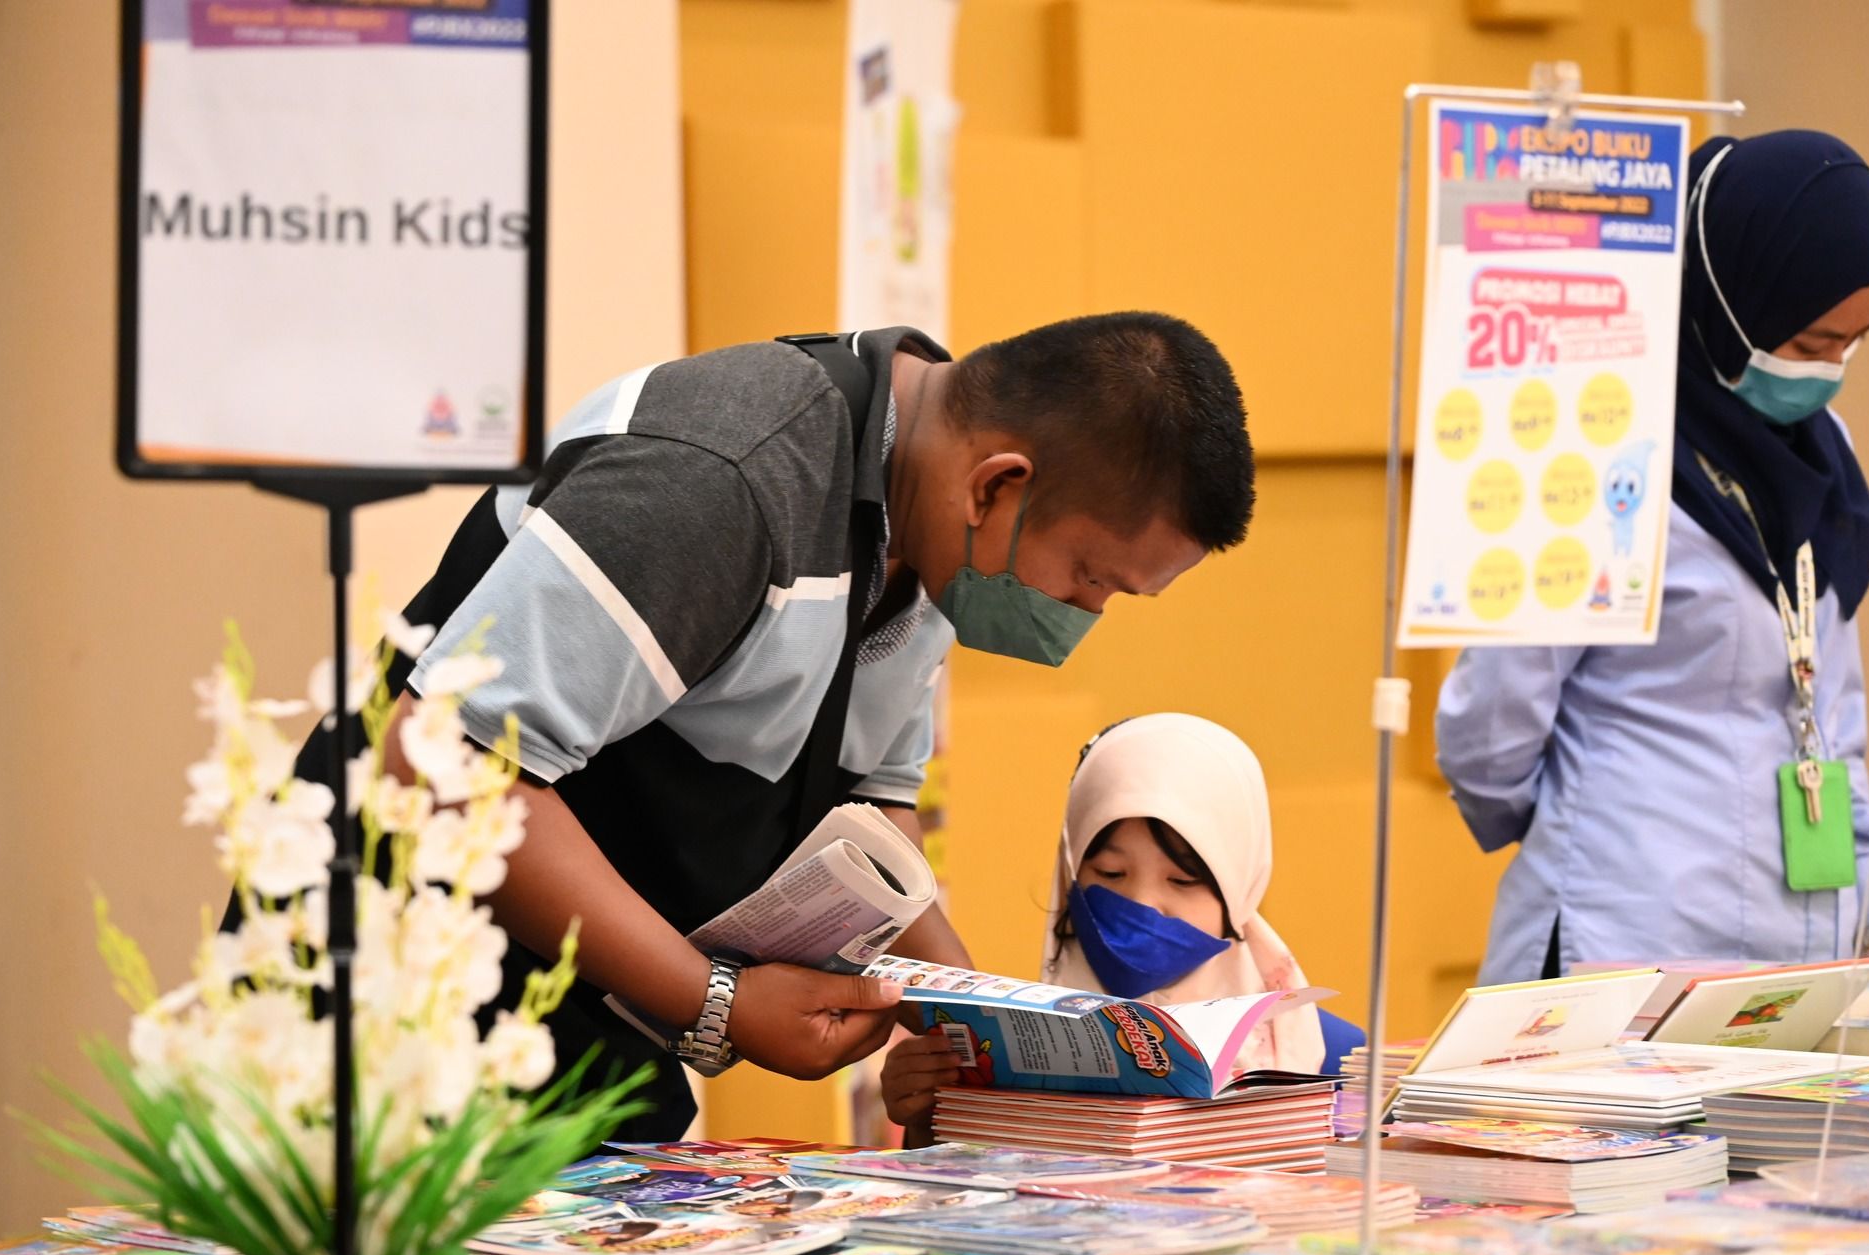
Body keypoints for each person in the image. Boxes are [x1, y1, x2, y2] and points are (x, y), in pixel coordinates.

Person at [370, 315, 1257, 1139]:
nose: (1084, 611)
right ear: (998, 485)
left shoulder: (933, 536)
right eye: (1090, 576)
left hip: (591, 1022)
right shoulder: (720, 478)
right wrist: (717, 1003)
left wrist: (990, 1028)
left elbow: (869, 820)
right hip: (398, 1004)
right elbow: (447, 770)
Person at [1437, 131, 1869, 984]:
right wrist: (1606, 810)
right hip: (1624, 938)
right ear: (1726, 303)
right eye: (1804, 345)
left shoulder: (1826, 453)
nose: (1828, 372)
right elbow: (1490, 730)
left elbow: (1838, 715)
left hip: (1804, 951)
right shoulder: (1593, 450)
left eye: (1852, 342)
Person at [882, 713, 1325, 1142]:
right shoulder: (1000, 1055)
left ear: (1241, 887)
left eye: (1182, 881)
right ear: (1070, 874)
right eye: (1111, 874)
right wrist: (926, 1118)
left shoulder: (1311, 1057)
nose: (1142, 905)